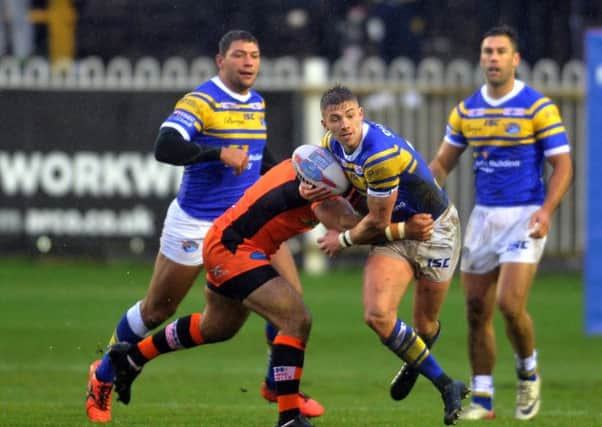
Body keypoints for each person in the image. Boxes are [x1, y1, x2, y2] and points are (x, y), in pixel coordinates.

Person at [86, 30, 323, 423]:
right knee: (156, 310)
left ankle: (277, 386)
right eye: (239, 55)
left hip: (247, 225)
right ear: (220, 61)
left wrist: (296, 177)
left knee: (292, 303)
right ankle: (105, 373)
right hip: (196, 223)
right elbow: (165, 146)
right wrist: (217, 153)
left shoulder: (257, 103)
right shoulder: (202, 101)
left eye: (255, 55)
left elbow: (259, 160)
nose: (248, 62)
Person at [106, 158, 428, 427]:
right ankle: (288, 415)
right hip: (234, 249)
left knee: (216, 328)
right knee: (295, 319)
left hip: (237, 243)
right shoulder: (324, 192)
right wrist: (404, 229)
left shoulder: (318, 168)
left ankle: (132, 357)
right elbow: (354, 226)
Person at [428, 25, 573, 420]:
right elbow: (443, 163)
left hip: (525, 215)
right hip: (484, 218)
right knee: (475, 308)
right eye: (487, 51)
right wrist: (420, 191)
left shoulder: (536, 106)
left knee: (510, 304)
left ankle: (528, 373)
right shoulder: (467, 110)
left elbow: (562, 165)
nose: (492, 58)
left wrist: (546, 210)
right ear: (481, 58)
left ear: (515, 59)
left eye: (500, 51)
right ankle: (484, 399)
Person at [315, 85, 469, 425]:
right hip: (397, 234)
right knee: (377, 315)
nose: (345, 125)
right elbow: (345, 196)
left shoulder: (379, 154)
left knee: (424, 325)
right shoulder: (329, 147)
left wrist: (341, 240)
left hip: (436, 230)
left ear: (362, 114)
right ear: (325, 123)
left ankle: (417, 353)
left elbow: (377, 222)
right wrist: (309, 187)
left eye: (351, 115)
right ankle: (447, 384)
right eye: (335, 119)